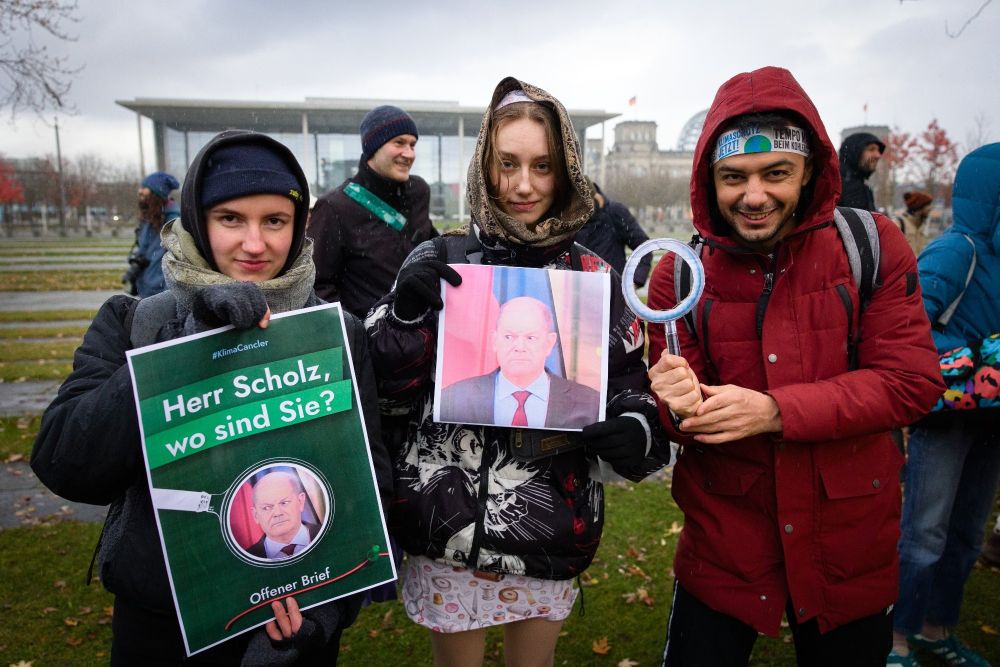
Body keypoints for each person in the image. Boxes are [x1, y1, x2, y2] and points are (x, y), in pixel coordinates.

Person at [31, 130, 392, 665]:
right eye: (230, 219)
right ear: (199, 221)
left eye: (275, 220)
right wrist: (181, 352)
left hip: (290, 622)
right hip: (161, 625)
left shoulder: (338, 333)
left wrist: (326, 611)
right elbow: (66, 464)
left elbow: (369, 484)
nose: (254, 243)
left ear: (298, 226)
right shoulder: (135, 321)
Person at [367, 77, 672, 667]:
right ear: (485, 164)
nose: (523, 185)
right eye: (507, 164)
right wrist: (403, 315)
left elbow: (630, 382)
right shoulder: (438, 258)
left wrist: (636, 428)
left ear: (567, 172)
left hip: (550, 531)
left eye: (542, 166)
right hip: (445, 533)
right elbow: (383, 391)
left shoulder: (594, 278)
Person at [645, 66, 943, 666]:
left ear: (809, 171)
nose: (754, 197)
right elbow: (678, 418)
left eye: (775, 173)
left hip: (849, 542)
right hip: (725, 543)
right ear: (710, 180)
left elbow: (911, 382)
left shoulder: (873, 245)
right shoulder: (677, 276)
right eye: (734, 177)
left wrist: (777, 411)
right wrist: (676, 406)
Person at [890, 142, 1000, 667]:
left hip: (993, 420)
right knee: (924, 533)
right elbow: (905, 327)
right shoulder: (957, 250)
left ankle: (937, 628)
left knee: (967, 535)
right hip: (948, 414)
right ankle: (897, 639)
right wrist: (973, 360)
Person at [309, 105, 438, 318]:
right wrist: (357, 332)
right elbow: (318, 285)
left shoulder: (419, 192)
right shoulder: (334, 207)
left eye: (412, 145)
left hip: (423, 333)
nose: (409, 154)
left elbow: (434, 249)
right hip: (370, 342)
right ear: (372, 147)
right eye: (399, 143)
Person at [438, 295, 600, 428]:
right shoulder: (452, 398)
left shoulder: (590, 404)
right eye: (509, 337)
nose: (519, 347)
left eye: (531, 337)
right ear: (494, 341)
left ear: (549, 343)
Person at [574, 179, 652, 286]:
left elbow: (644, 248)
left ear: (596, 197)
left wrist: (634, 282)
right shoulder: (567, 220)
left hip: (612, 291)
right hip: (579, 292)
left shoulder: (615, 212)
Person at [123, 171, 180, 297]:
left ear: (156, 193)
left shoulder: (173, 222)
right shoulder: (151, 217)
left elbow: (177, 262)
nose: (140, 191)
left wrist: (167, 293)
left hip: (161, 294)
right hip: (146, 289)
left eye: (144, 188)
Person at [246, 470, 320, 560]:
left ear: (301, 501)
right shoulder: (246, 559)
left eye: (284, 503)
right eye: (267, 508)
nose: (277, 513)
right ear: (256, 515)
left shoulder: (331, 533)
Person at [839, 131, 885, 211]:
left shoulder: (860, 186)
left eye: (878, 150)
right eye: (871, 149)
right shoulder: (835, 185)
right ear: (855, 152)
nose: (878, 155)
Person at [897, 190, 934, 256]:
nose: (930, 208)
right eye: (927, 206)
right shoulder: (899, 224)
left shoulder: (922, 226)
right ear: (918, 209)